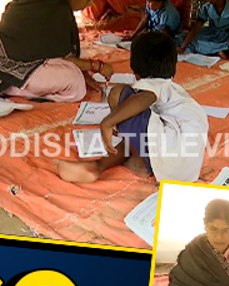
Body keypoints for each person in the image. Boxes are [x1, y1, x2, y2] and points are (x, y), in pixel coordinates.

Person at [54, 32, 207, 184]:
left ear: (134, 66)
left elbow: (145, 98)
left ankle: (141, 164)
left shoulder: (153, 86)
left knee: (119, 93)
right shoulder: (172, 89)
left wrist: (108, 122)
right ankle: (98, 166)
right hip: (184, 167)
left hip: (167, 151)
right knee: (130, 133)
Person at [0, 0, 109, 103]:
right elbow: (67, 58)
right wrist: (97, 66)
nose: (89, 5)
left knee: (73, 70)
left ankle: (19, 85)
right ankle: (12, 89)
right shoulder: (57, 8)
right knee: (75, 84)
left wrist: (85, 71)